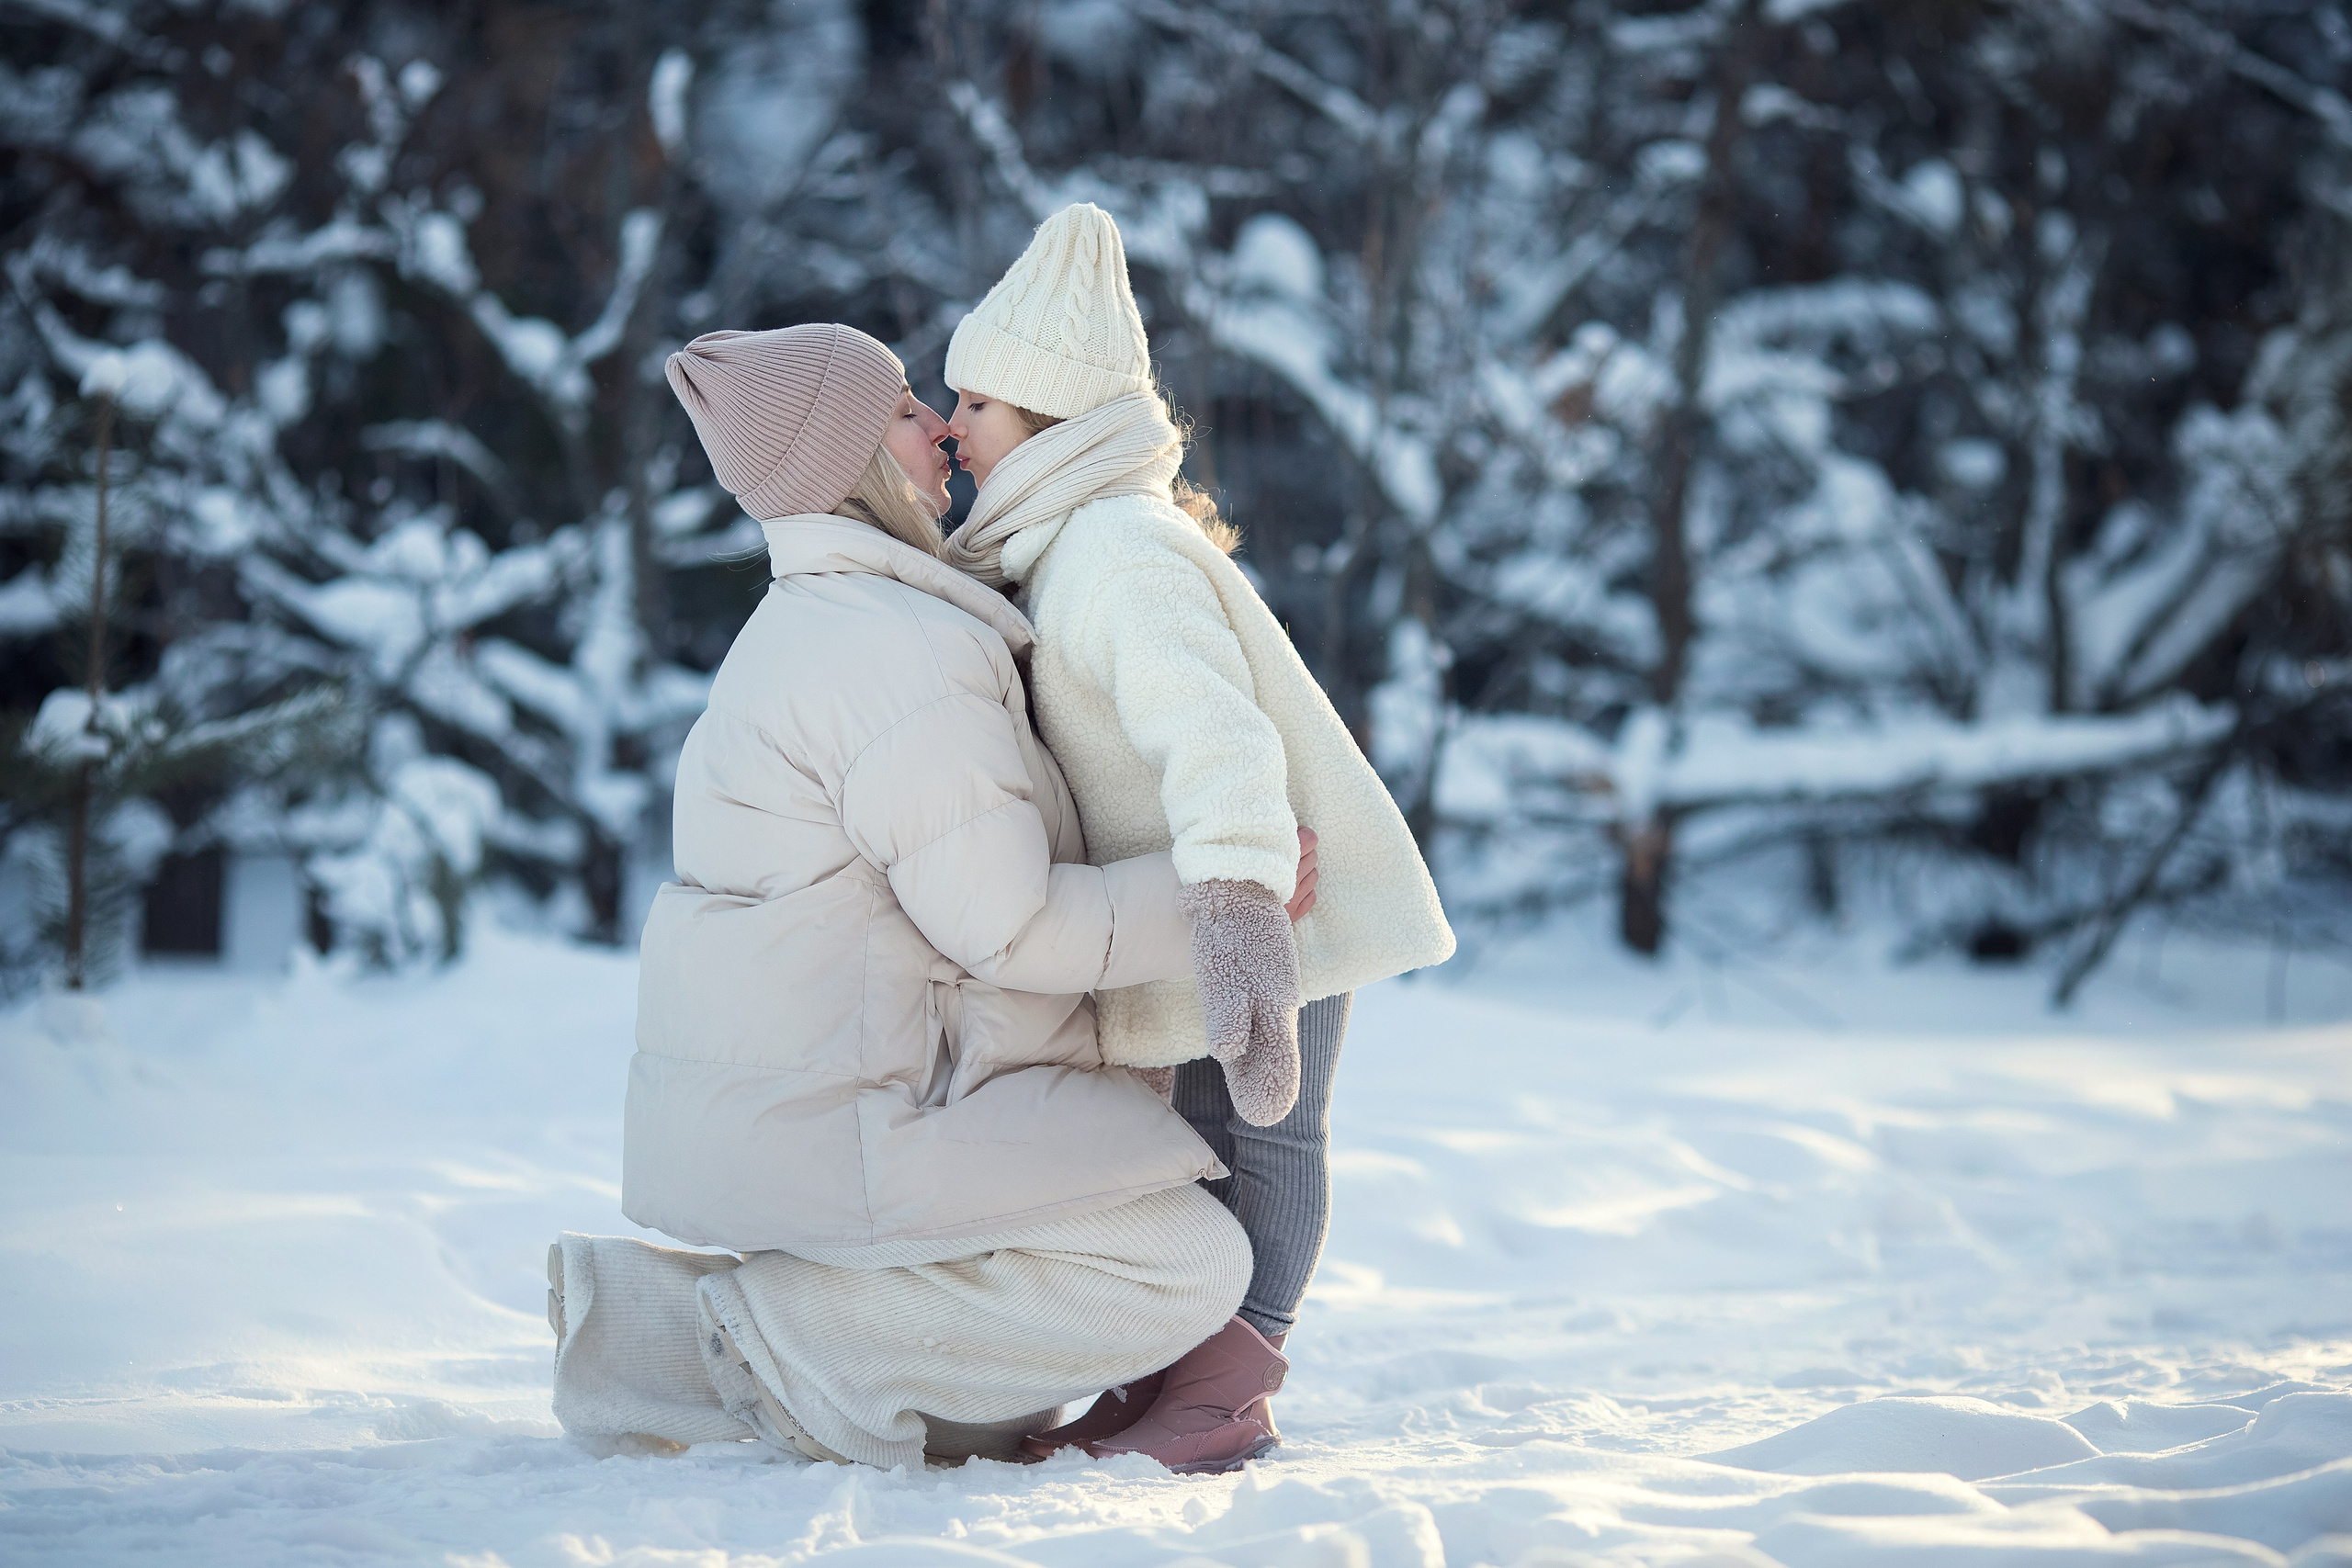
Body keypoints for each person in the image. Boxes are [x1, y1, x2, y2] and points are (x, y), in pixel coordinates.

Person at [544, 321, 1316, 1471]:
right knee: (1189, 1266)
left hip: (827, 1112)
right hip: (862, 1121)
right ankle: (770, 1332)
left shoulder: (823, 625)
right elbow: (1010, 925)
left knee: (983, 1416)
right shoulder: (891, 648)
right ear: (851, 458)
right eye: (905, 409)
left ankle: (648, 1330)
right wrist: (1209, 891)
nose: (940, 428)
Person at [936, 205, 1456, 1471]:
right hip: (1209, 909)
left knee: (1267, 1130)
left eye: (977, 408)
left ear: (1050, 422)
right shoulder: (1062, 549)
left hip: (1273, 905)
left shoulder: (1118, 550)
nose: (950, 429)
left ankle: (1231, 1385)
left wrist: (1236, 912)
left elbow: (1219, 737)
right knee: (1206, 1142)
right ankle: (1182, 1366)